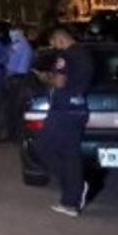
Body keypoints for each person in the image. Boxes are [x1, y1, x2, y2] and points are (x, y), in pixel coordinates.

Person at [32, 27, 95, 217]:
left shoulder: (66, 57)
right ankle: (71, 203)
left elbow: (59, 82)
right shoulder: (85, 55)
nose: (54, 47)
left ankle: (74, 186)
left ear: (59, 39)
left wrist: (45, 78)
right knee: (70, 154)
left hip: (63, 109)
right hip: (79, 108)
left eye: (54, 43)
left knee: (43, 147)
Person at [0, 25, 34, 143]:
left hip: (15, 80)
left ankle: (13, 135)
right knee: (18, 108)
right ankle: (16, 134)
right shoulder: (25, 44)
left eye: (13, 33)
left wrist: (6, 70)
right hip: (21, 79)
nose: (11, 35)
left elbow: (10, 65)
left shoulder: (18, 45)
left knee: (12, 108)